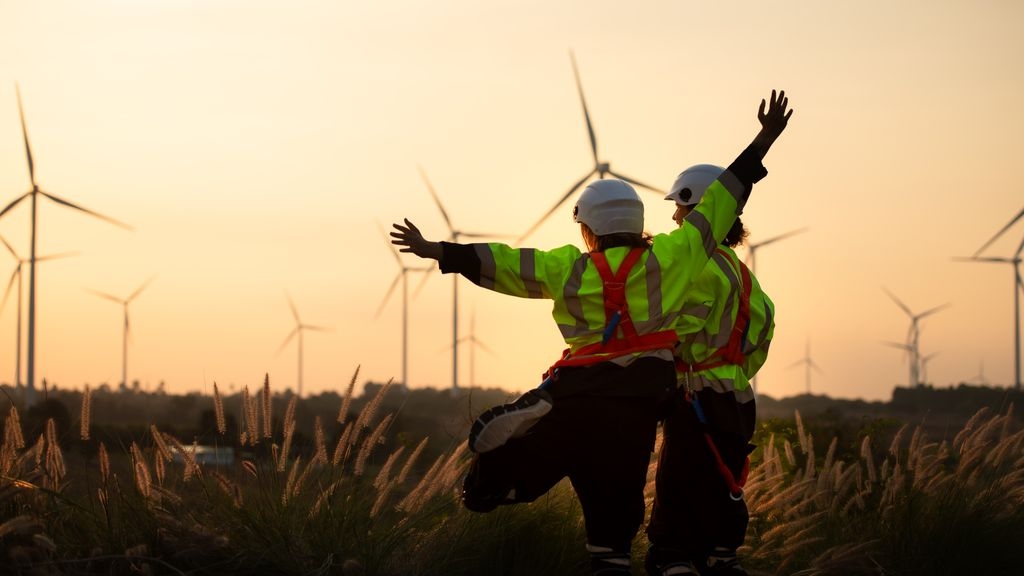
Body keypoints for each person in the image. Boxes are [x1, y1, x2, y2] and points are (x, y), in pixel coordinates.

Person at [391, 89, 792, 576]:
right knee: (619, 496)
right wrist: (763, 140)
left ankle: (496, 471)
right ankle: (613, 555)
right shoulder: (673, 259)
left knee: (545, 449)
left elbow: (506, 264)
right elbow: (721, 201)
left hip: (581, 384)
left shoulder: (568, 268)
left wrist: (439, 250)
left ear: (588, 228)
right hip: (644, 393)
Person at [644, 164, 777, 576]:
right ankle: (721, 556)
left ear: (700, 210)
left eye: (681, 208)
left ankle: (674, 559)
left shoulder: (700, 271)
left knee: (679, 483)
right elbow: (756, 347)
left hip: (697, 396)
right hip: (738, 402)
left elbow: (677, 332)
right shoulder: (747, 278)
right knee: (724, 484)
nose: (674, 219)